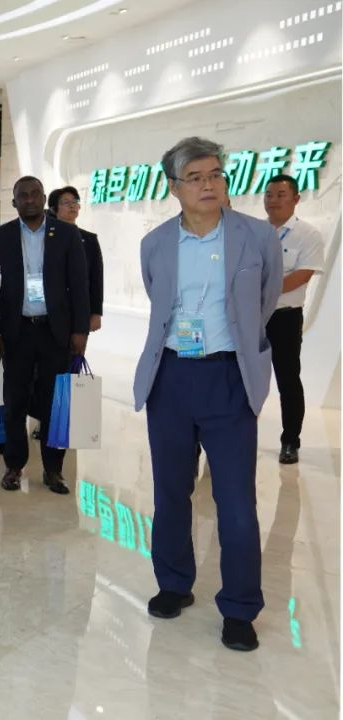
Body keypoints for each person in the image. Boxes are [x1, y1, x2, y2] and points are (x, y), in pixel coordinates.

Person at [133, 136, 283, 652]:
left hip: (228, 377)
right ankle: (174, 583)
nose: (208, 185)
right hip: (171, 379)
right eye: (195, 177)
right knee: (170, 491)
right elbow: (159, 303)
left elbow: (264, 303)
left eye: (216, 174)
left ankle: (239, 607)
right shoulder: (155, 243)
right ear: (174, 187)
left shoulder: (256, 236)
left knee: (236, 500)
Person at [0, 177, 89, 495]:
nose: (29, 199)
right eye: (22, 195)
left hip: (55, 331)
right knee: (14, 402)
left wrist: (80, 330)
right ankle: (14, 466)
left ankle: (53, 470)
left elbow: (79, 284)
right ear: (13, 202)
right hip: (17, 331)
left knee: (55, 403)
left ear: (43, 199)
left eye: (34, 194)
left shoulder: (67, 234)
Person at [263, 173, 324, 464]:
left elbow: (302, 275)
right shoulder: (254, 232)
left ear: (296, 199)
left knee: (287, 380)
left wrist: (262, 288)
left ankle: (290, 442)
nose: (273, 201)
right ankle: (237, 437)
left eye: (280, 195)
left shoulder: (308, 234)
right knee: (242, 379)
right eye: (269, 195)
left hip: (285, 318)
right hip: (252, 317)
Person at [48, 186, 103, 332]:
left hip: (80, 309)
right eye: (65, 202)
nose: (72, 206)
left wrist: (96, 313)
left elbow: (96, 279)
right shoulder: (46, 237)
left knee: (77, 345)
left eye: (75, 201)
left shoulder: (89, 239)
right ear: (54, 209)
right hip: (51, 310)